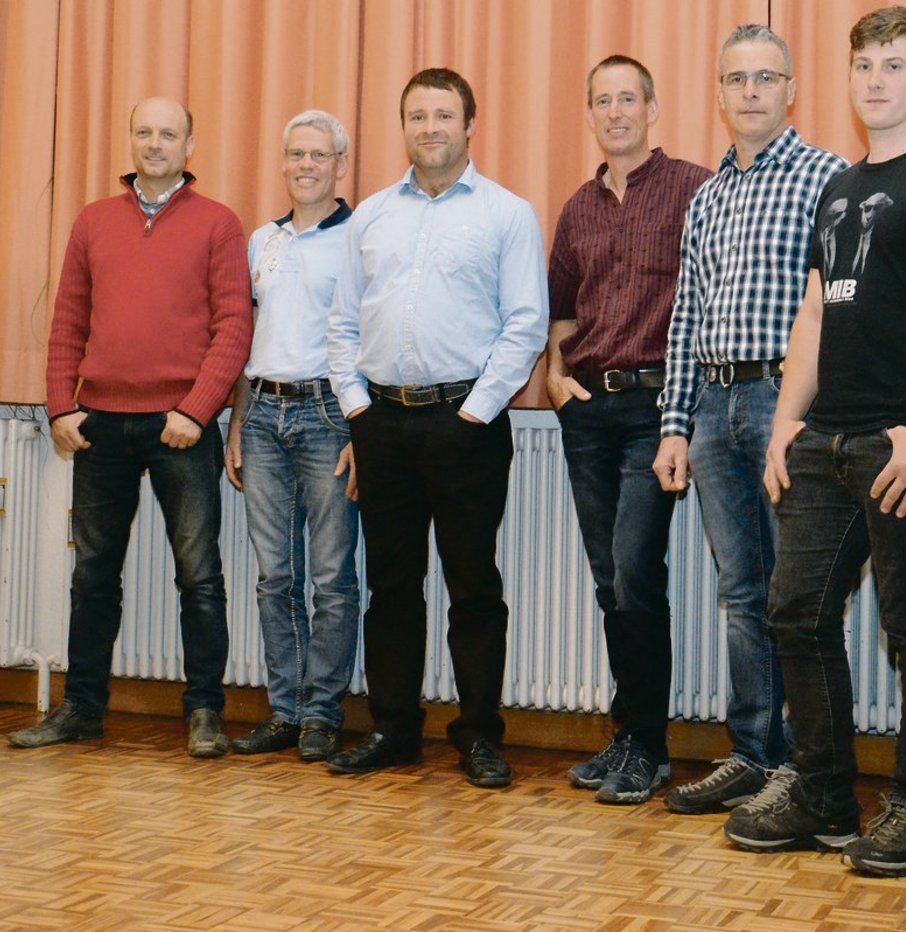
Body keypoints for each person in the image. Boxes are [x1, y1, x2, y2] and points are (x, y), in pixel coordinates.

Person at [722, 7, 906, 875]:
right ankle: (824, 794)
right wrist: (784, 425)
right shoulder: (837, 187)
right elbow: (814, 311)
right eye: (864, 66)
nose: (876, 79)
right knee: (794, 615)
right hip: (825, 441)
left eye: (894, 64)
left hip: (905, 443)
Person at [9, 97, 252, 757]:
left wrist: (195, 410)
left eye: (168, 133)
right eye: (144, 132)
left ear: (189, 146)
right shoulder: (93, 222)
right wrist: (62, 407)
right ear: (130, 141)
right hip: (102, 425)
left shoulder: (218, 225)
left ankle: (204, 711)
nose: (154, 143)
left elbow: (234, 328)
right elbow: (67, 323)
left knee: (199, 575)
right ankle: (83, 709)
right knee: (92, 574)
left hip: (181, 426)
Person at [325, 68, 547, 788]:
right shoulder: (370, 217)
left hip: (467, 426)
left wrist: (475, 413)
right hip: (381, 422)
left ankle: (479, 734)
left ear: (469, 125)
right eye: (417, 116)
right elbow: (341, 322)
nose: (430, 128)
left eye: (443, 115)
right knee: (389, 585)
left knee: (473, 587)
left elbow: (525, 325)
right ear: (405, 128)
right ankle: (393, 729)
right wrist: (357, 408)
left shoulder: (506, 214)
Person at [653, 24, 848, 815]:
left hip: (785, 405)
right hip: (713, 404)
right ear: (720, 92)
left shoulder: (827, 179)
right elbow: (685, 315)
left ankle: (808, 766)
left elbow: (841, 310)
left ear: (791, 89)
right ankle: (753, 755)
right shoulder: (707, 196)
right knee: (742, 590)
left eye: (767, 78)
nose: (752, 92)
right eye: (737, 79)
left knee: (796, 595)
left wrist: (808, 413)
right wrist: (674, 423)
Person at [548, 56, 711, 805]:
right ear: (589, 114)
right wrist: (555, 372)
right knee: (611, 580)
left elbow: (711, 295)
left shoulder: (692, 188)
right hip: (588, 414)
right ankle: (629, 734)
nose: (615, 111)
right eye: (601, 101)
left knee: (636, 570)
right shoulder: (578, 206)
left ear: (652, 108)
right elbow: (563, 305)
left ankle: (649, 746)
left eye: (627, 99)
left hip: (657, 410)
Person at [225, 110, 359, 763]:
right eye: (296, 155)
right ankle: (285, 711)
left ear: (340, 165)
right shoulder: (260, 241)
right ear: (284, 164)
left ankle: (322, 715)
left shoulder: (360, 238)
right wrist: (234, 425)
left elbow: (370, 342)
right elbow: (244, 338)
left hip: (329, 418)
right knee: (275, 577)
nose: (306, 165)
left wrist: (364, 431)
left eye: (319, 155)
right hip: (261, 418)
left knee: (331, 578)